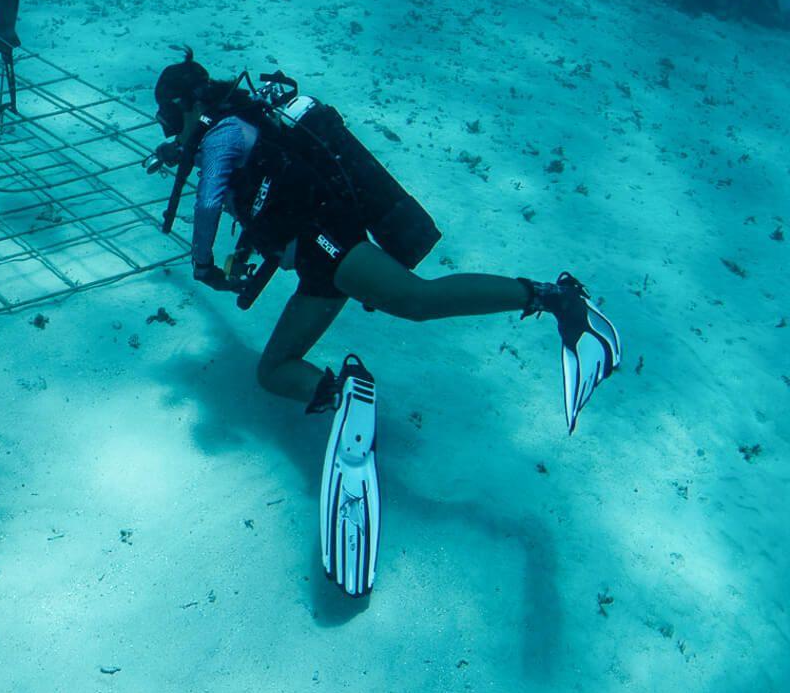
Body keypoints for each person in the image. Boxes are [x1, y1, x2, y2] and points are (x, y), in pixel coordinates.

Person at [148, 53, 623, 594]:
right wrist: (174, 150)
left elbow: (209, 203)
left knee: (416, 301)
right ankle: (344, 391)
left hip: (329, 239)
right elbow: (225, 179)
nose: (169, 129)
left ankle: (556, 298)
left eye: (168, 118)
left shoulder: (221, 136)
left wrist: (203, 267)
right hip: (313, 261)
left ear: (187, 106)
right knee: (273, 369)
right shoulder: (231, 123)